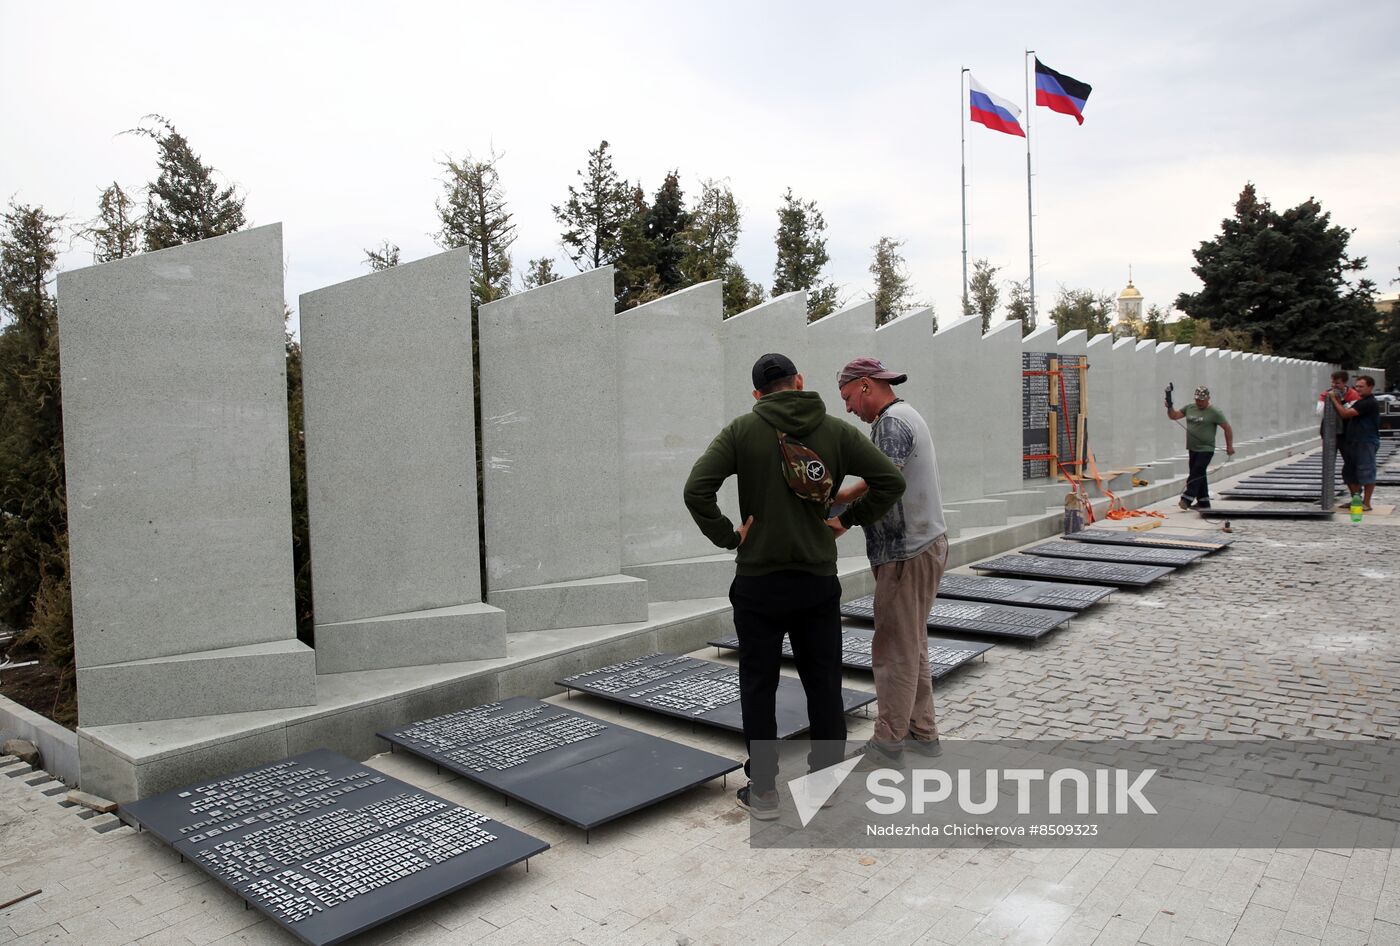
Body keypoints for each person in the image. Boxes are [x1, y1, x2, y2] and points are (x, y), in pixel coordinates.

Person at [683, 353, 905, 819]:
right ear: (799, 381)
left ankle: (763, 789)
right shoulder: (836, 430)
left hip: (758, 584)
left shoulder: (742, 430)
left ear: (757, 394)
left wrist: (729, 535)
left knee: (758, 684)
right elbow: (888, 480)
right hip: (816, 583)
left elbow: (696, 489)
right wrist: (847, 521)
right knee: (823, 683)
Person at [832, 357, 948, 766]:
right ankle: (922, 731)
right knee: (910, 644)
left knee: (894, 649)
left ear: (865, 386)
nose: (847, 408)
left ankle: (888, 743)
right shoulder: (904, 414)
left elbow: (885, 482)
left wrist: (841, 515)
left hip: (907, 551)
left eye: (847, 397)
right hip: (921, 544)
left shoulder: (892, 424)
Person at [1167, 385, 1234, 510]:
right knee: (1200, 473)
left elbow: (1227, 428)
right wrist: (1169, 407)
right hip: (1192, 448)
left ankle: (1187, 498)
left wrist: (1229, 446)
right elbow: (1174, 416)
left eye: (1202, 400)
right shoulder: (1190, 408)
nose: (1199, 402)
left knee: (1196, 472)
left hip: (1206, 449)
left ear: (1208, 398)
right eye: (1197, 400)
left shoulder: (1215, 412)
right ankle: (1203, 502)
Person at [1331, 374, 1381, 510]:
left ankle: (1367, 503)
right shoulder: (1360, 401)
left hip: (1366, 441)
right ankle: (1356, 500)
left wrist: (1334, 400)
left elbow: (1346, 414)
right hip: (1353, 441)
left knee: (1366, 471)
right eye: (1356, 386)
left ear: (1370, 387)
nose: (1358, 389)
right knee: (1349, 471)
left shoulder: (1369, 402)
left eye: (1361, 386)